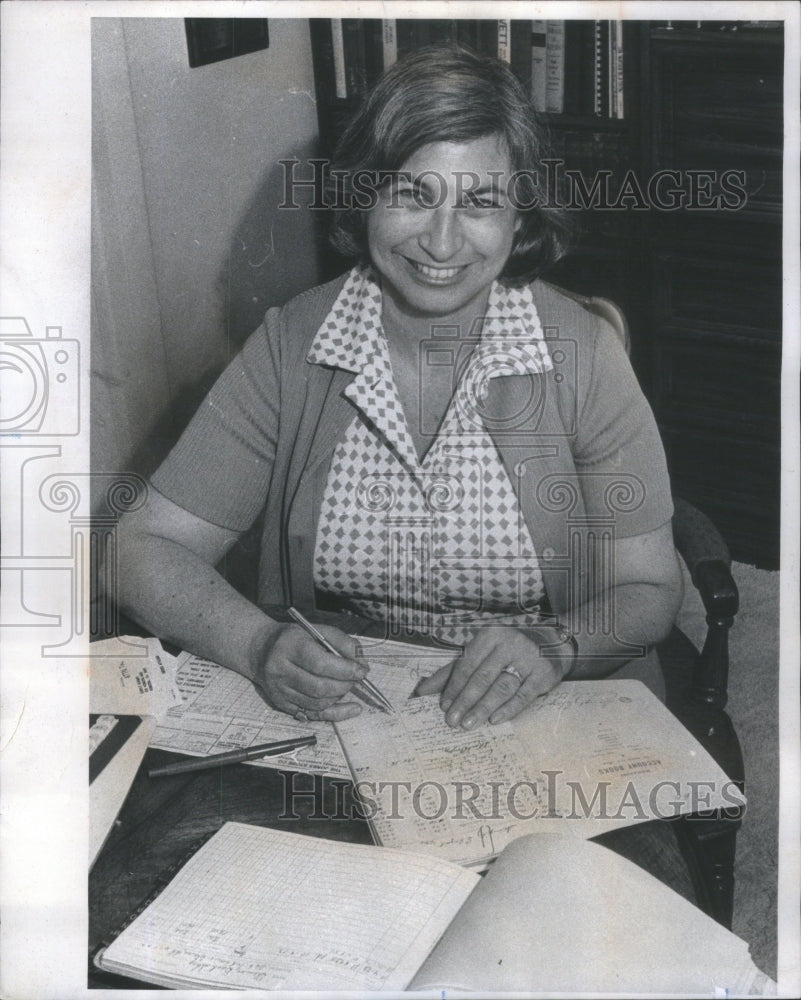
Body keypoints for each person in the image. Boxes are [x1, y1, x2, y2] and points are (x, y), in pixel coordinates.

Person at [116, 44, 683, 731]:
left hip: (549, 700)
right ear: (366, 195)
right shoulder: (290, 346)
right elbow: (138, 550)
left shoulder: (582, 354)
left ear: (520, 219)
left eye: (479, 202)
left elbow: (648, 588)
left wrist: (553, 645)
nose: (441, 244)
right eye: (414, 193)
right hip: (352, 716)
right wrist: (258, 644)